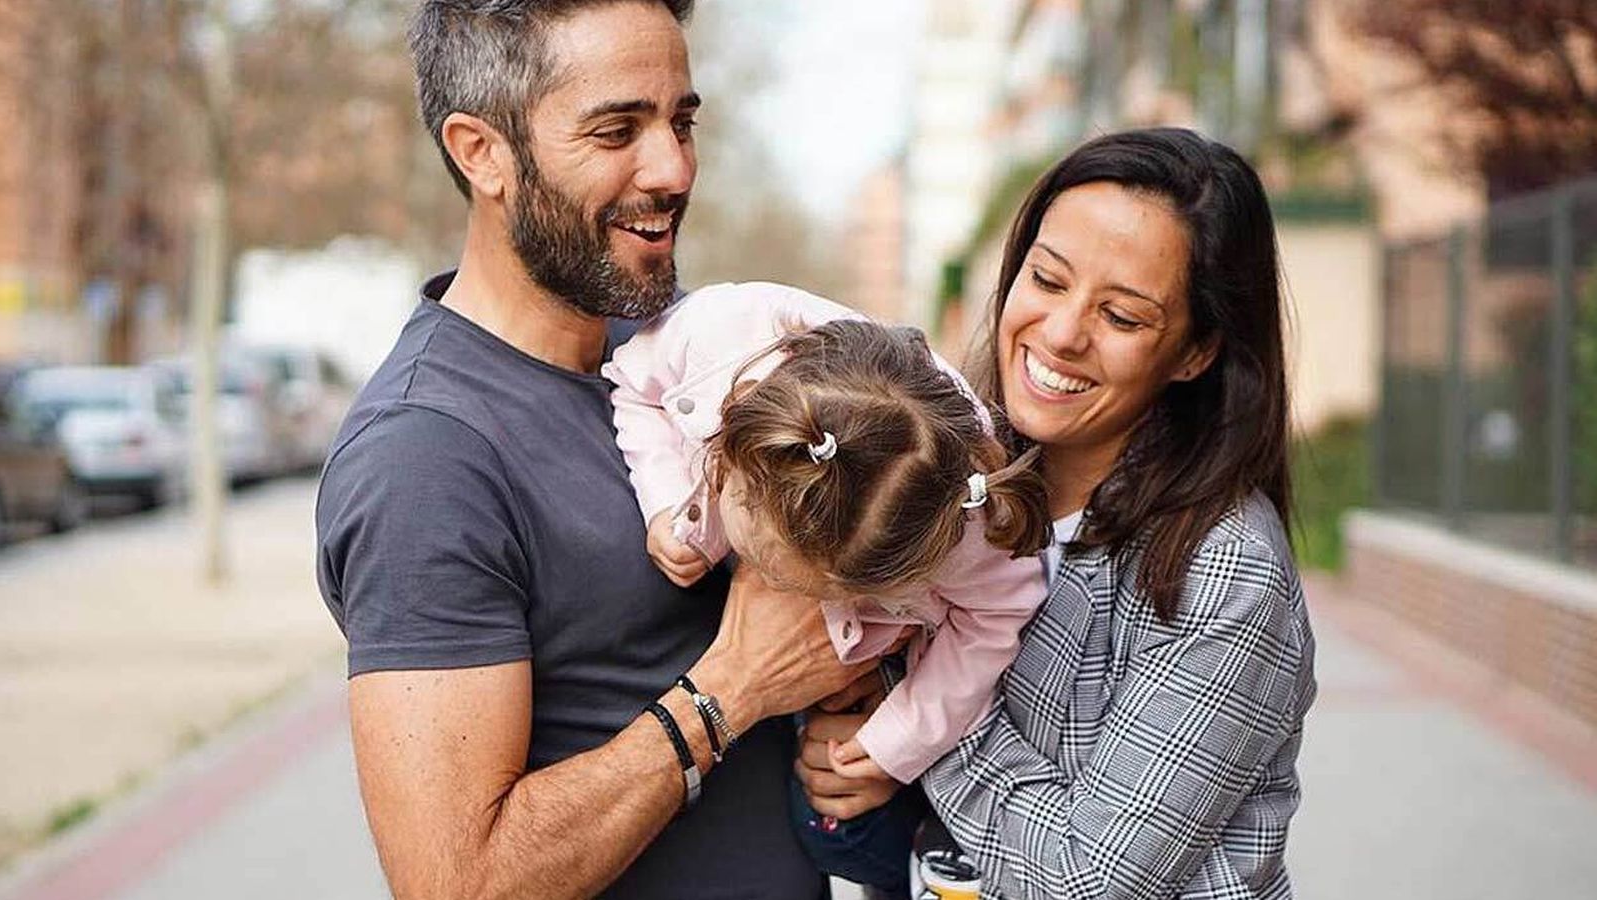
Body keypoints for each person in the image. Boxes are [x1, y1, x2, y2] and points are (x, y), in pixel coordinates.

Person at [314, 3, 871, 898]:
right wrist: (731, 691)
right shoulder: (424, 458)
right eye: (618, 129)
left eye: (681, 121)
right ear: (480, 152)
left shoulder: (672, 351)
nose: (674, 168)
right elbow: (460, 882)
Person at [796, 127, 1318, 898]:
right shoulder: (949, 466)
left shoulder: (1224, 569)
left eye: (1124, 317)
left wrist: (915, 727)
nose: (1064, 334)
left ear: (1195, 351)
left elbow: (1089, 879)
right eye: (1047, 279)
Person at [602, 281, 1053, 894]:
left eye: (800, 584)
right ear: (733, 452)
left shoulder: (966, 528)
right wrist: (670, 507)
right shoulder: (710, 337)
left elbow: (999, 613)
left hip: (868, 687)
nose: (776, 587)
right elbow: (634, 387)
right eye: (766, 562)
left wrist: (900, 738)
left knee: (839, 829)